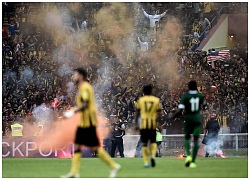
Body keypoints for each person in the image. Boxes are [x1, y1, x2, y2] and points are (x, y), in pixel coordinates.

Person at [61, 68, 121, 178]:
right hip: (83, 123)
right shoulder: (82, 87)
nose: (73, 77)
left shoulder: (85, 87)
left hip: (88, 123)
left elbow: (85, 103)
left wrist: (71, 112)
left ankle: (113, 166)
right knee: (78, 146)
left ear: (81, 76)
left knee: (94, 148)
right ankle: (74, 172)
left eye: (75, 74)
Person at [169, 80, 206, 168]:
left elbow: (180, 110)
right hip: (197, 119)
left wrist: (172, 116)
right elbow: (204, 107)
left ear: (188, 87)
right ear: (196, 87)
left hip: (188, 119)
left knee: (187, 137)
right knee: (196, 139)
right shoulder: (200, 96)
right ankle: (193, 161)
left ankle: (188, 155)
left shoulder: (185, 97)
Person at [134, 84, 162, 168]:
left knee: (144, 143)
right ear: (151, 91)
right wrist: (159, 124)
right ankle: (153, 156)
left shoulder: (141, 100)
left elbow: (137, 113)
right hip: (153, 124)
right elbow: (159, 113)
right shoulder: (156, 100)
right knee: (153, 142)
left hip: (143, 125)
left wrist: (136, 124)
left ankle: (146, 162)